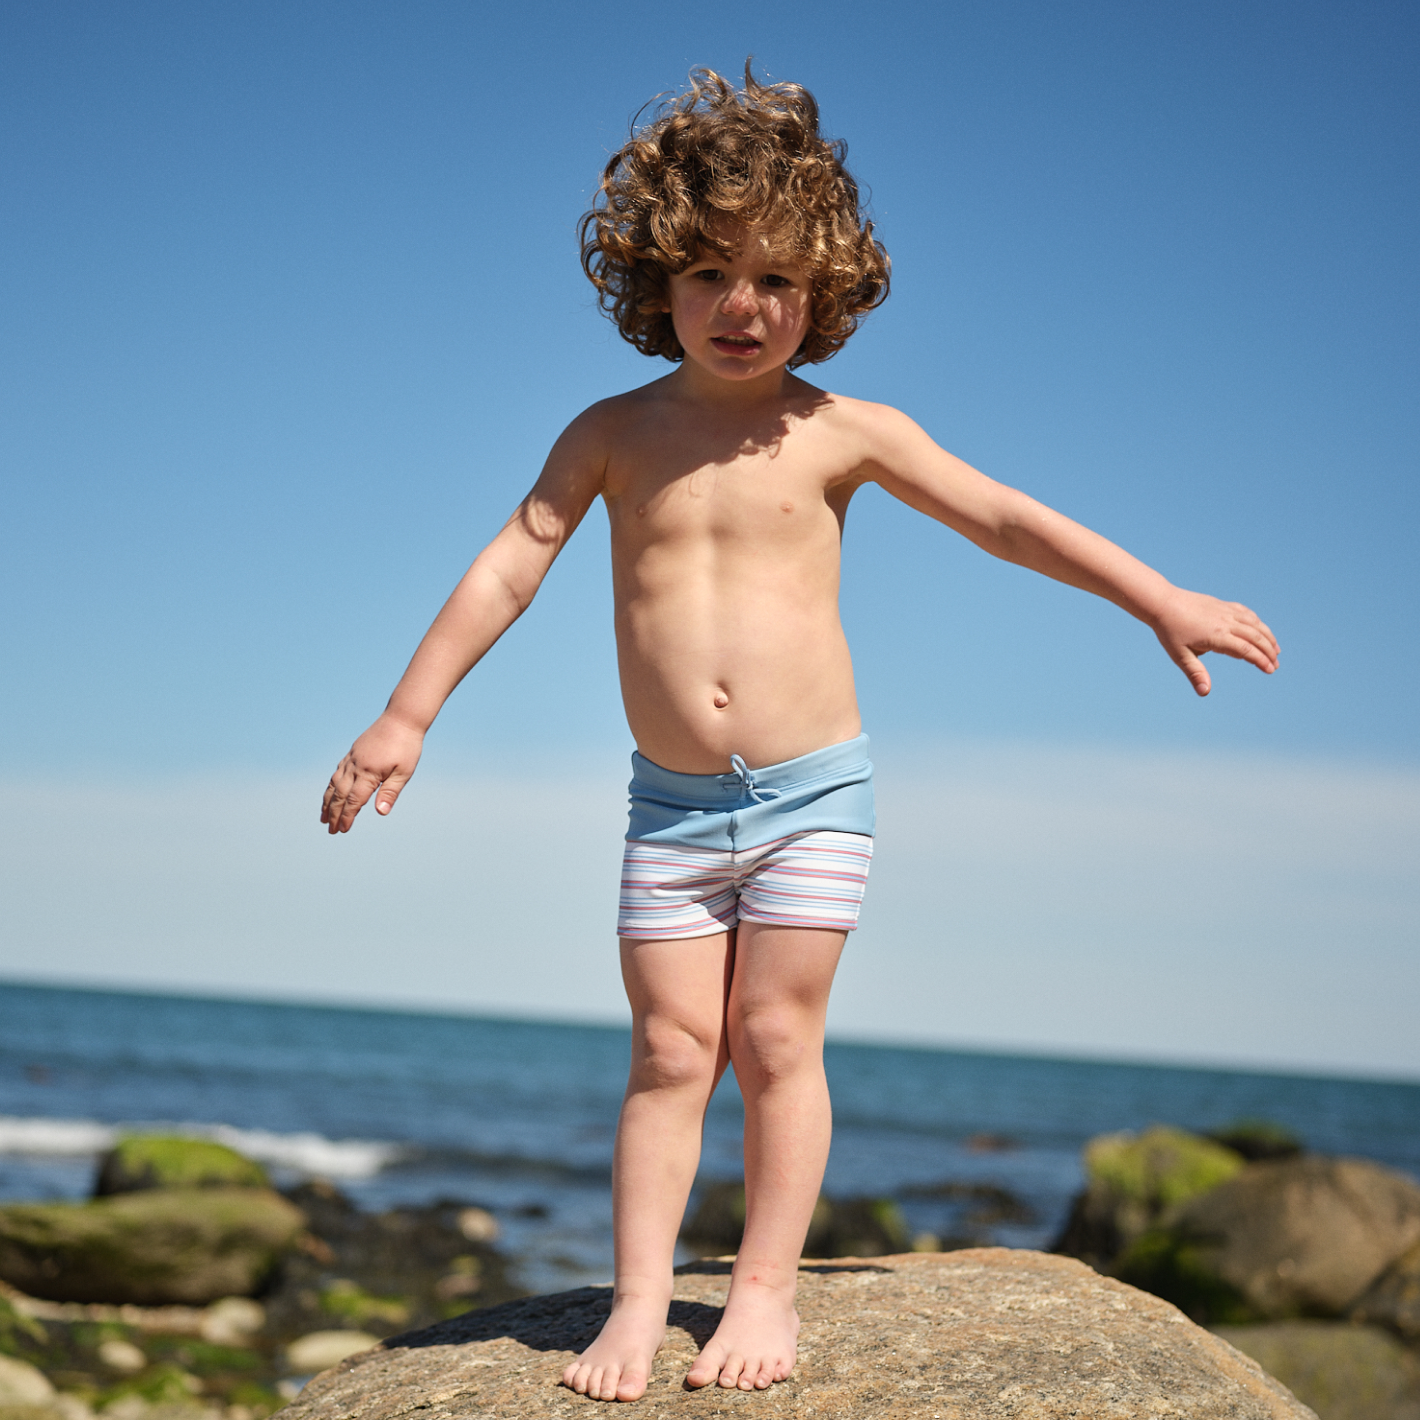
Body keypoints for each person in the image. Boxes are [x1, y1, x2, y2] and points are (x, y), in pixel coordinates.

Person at [320, 66, 1278, 1403]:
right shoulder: (612, 434)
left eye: (775, 278)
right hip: (670, 805)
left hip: (813, 796)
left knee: (775, 1039)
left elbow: (1003, 516)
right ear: (655, 280)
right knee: (667, 1052)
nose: (741, 304)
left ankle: (760, 1289)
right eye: (710, 272)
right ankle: (641, 1301)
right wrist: (405, 715)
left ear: (824, 293)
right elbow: (512, 563)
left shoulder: (844, 434)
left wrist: (1157, 598)